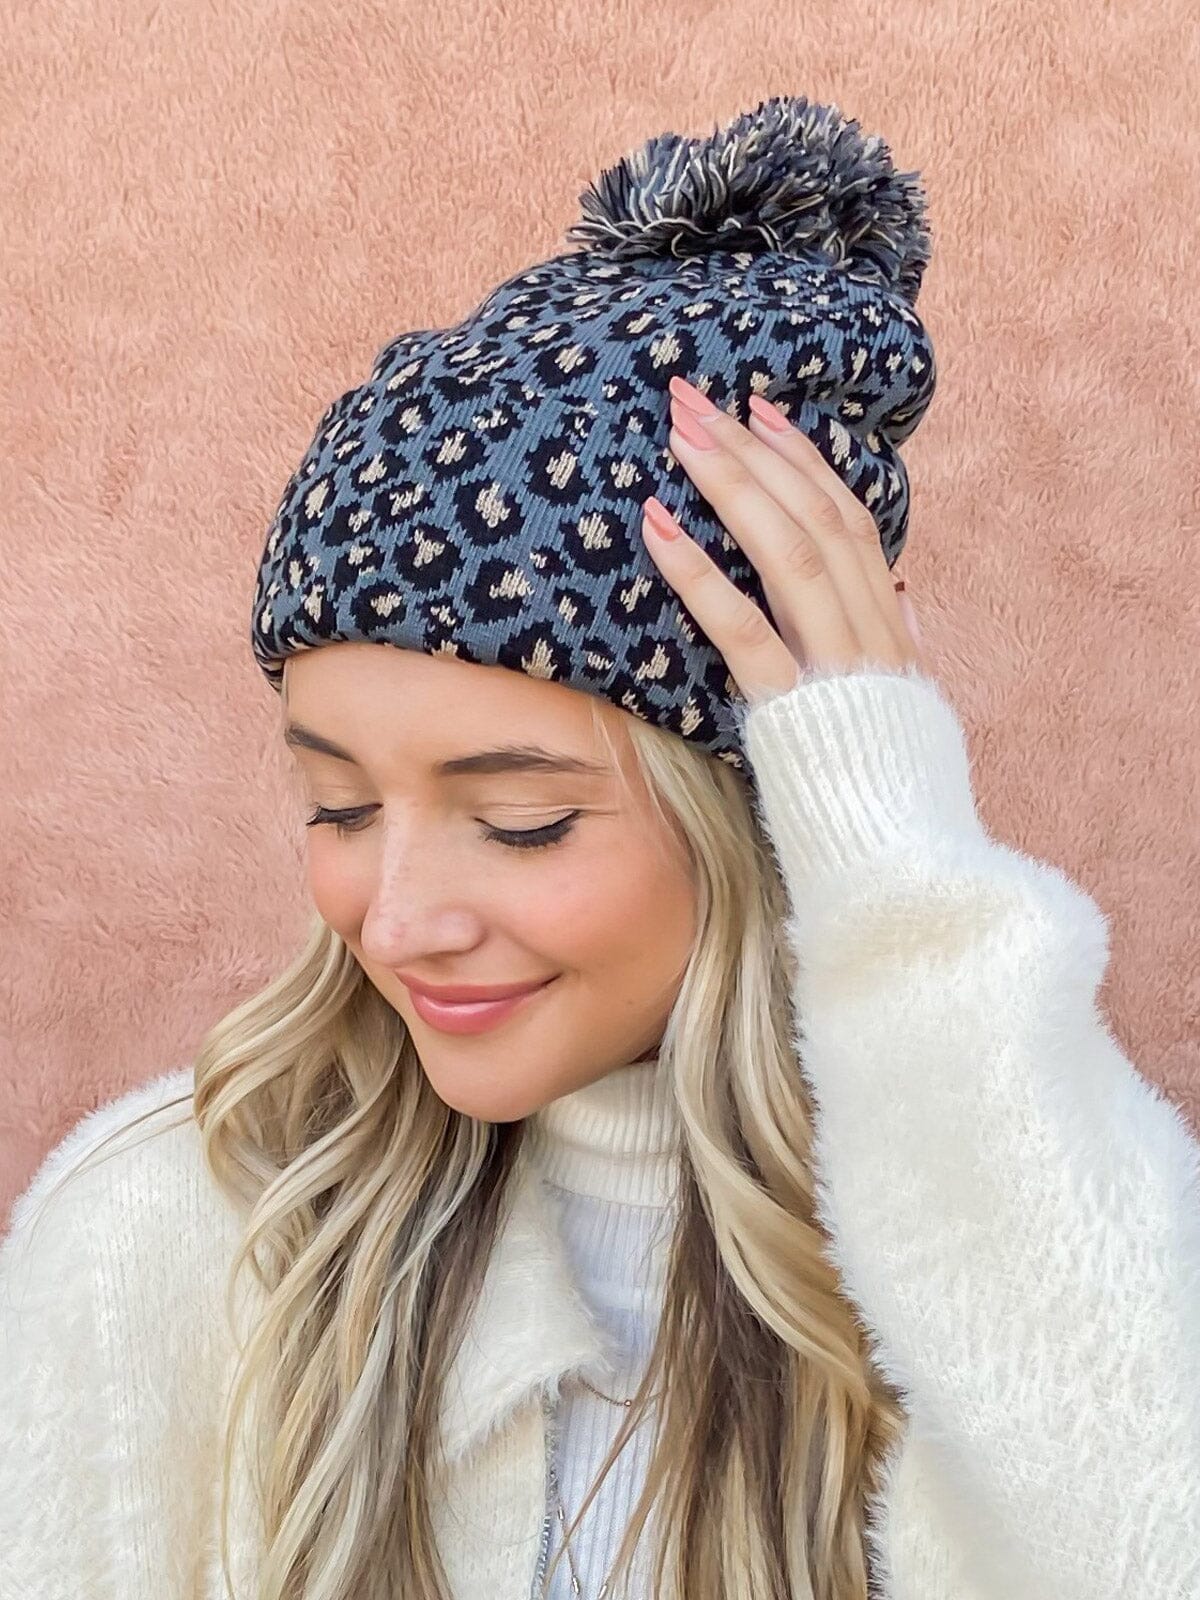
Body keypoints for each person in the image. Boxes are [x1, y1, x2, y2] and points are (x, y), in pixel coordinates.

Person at [3, 93, 1198, 1600]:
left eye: (523, 822)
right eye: (340, 806)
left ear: (762, 803)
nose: (399, 921)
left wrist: (898, 859)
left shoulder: (979, 1247)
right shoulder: (172, 1239)